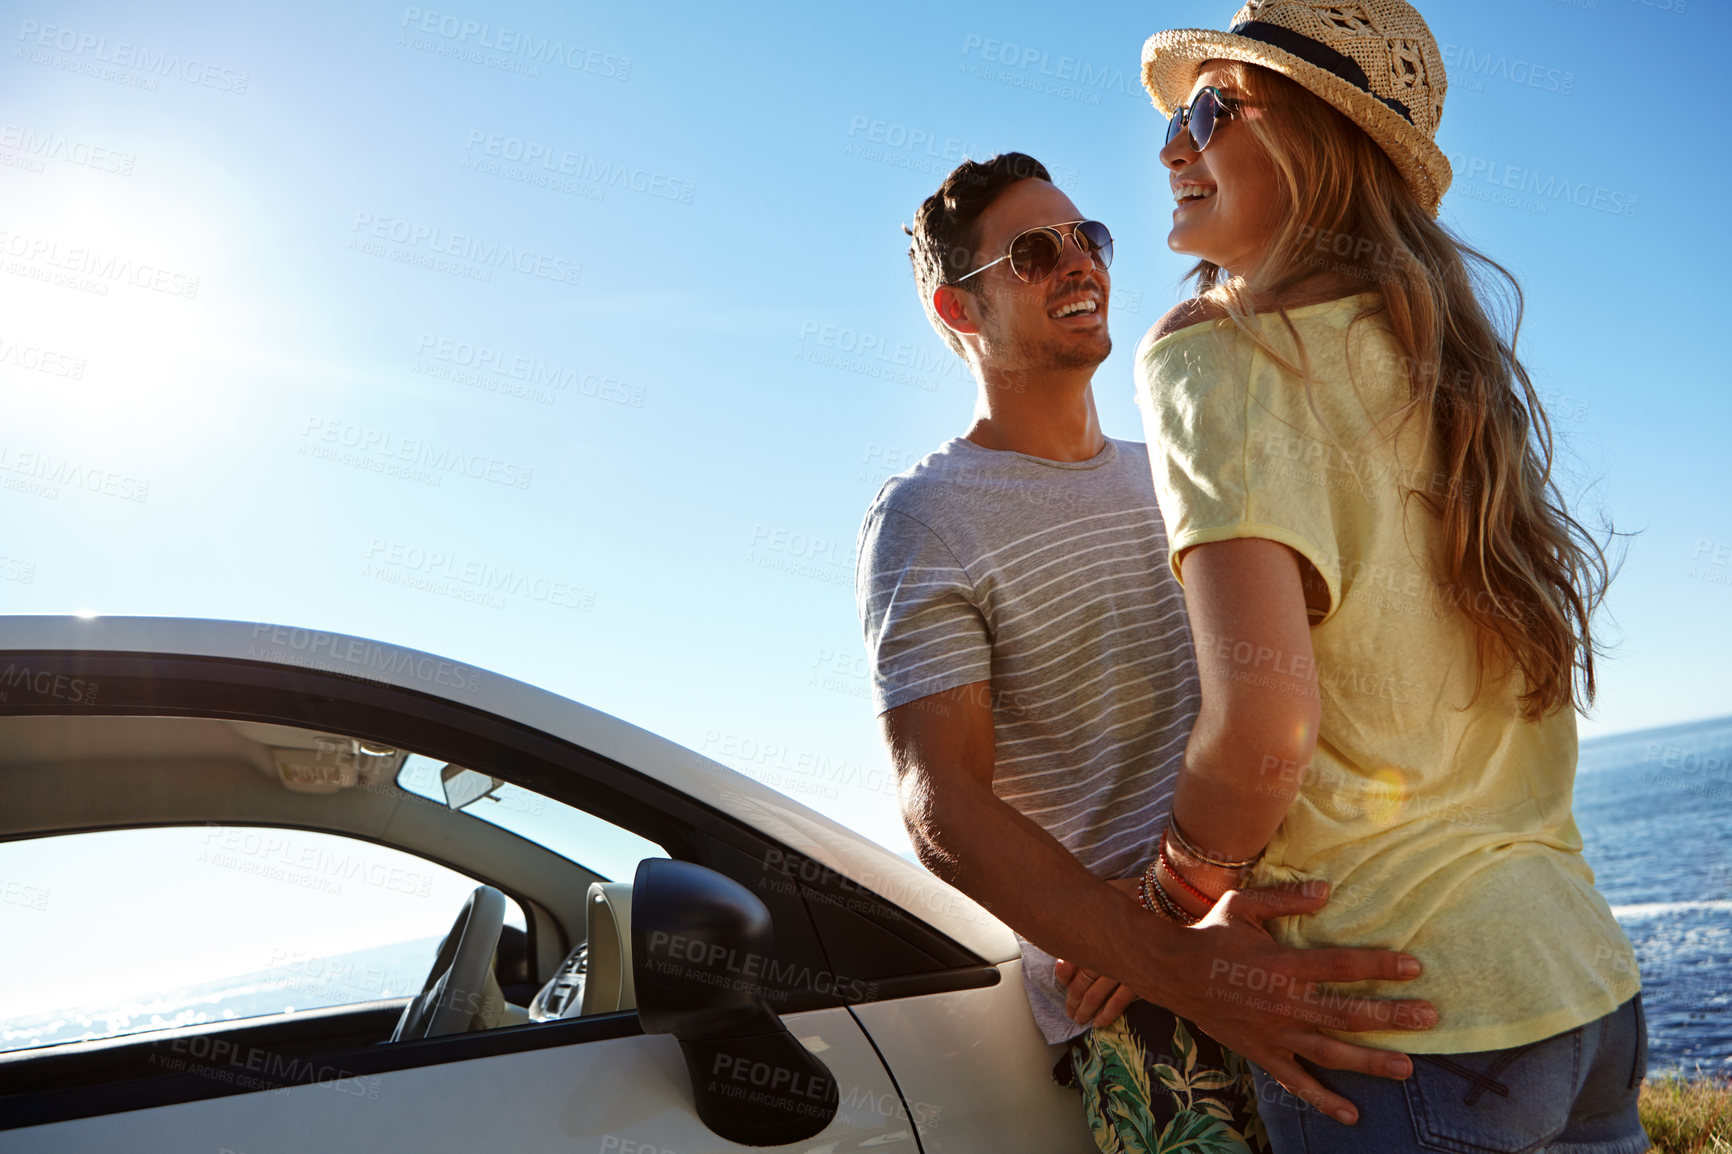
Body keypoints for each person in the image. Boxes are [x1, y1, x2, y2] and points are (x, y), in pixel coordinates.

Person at [1092, 1, 1647, 1148]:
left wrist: (1159, 912)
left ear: (1314, 144)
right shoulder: (1444, 359)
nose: (1168, 148)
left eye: (1210, 108)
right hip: (1579, 985)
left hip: (1394, 1019)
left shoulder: (1212, 356)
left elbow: (1261, 725)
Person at [856, 151, 1439, 1151]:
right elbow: (940, 802)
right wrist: (1168, 955)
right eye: (1033, 254)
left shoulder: (1174, 473)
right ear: (959, 313)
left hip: (1303, 932)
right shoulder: (927, 516)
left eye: (1091, 239)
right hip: (1150, 1006)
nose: (1080, 264)